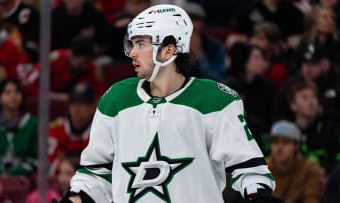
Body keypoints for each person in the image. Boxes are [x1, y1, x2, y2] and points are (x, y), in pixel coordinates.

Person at [58, 4, 283, 203]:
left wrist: (259, 197)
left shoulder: (215, 101)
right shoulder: (115, 99)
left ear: (168, 50)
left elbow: (249, 169)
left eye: (141, 44)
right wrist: (76, 198)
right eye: (132, 45)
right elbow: (96, 174)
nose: (133, 53)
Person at [267, 120, 324, 203]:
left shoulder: (310, 169)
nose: (279, 148)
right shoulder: (262, 168)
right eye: (275, 142)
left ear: (297, 145)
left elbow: (311, 199)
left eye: (285, 142)